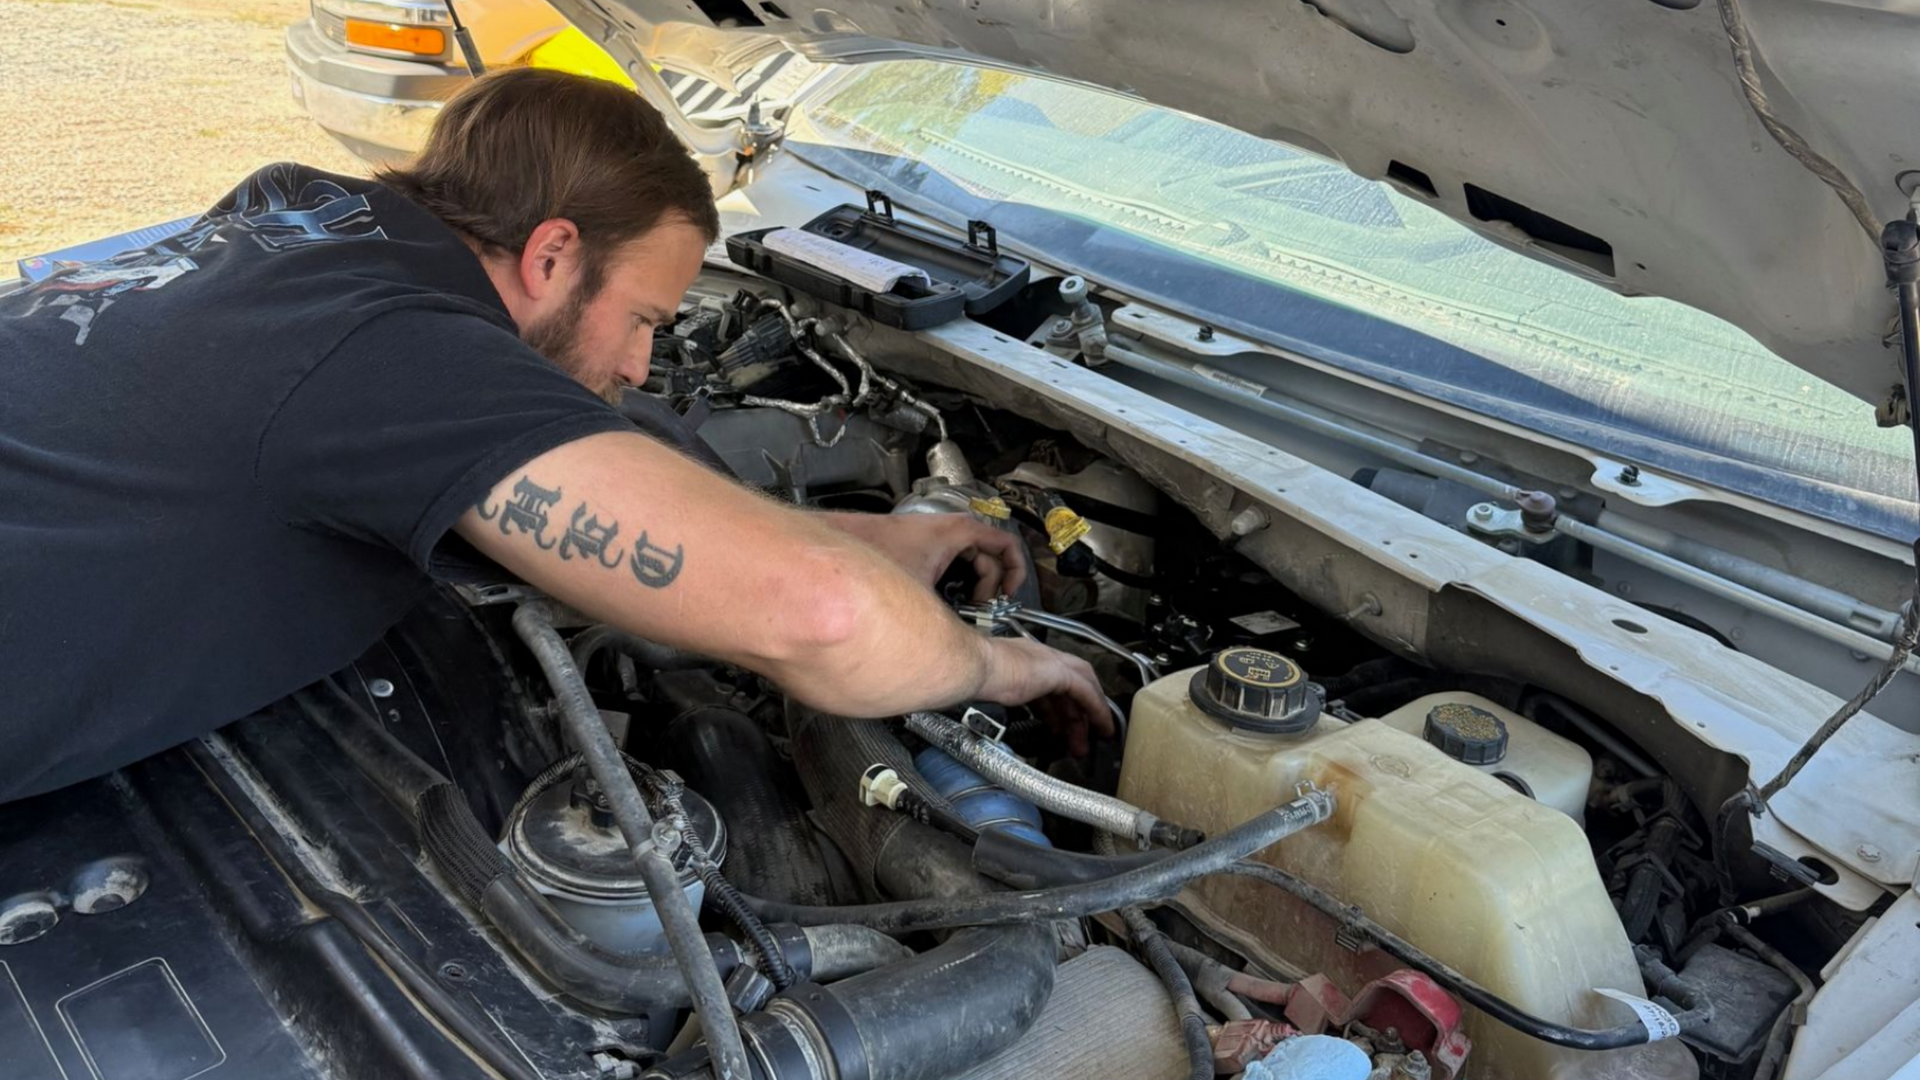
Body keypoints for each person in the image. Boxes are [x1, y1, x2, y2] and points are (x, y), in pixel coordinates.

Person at [0, 67, 1105, 804]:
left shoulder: (297, 211)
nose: (638, 367)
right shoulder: (397, 359)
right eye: (644, 322)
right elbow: (816, 615)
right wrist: (994, 662)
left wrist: (874, 537)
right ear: (549, 253)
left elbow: (565, 440)